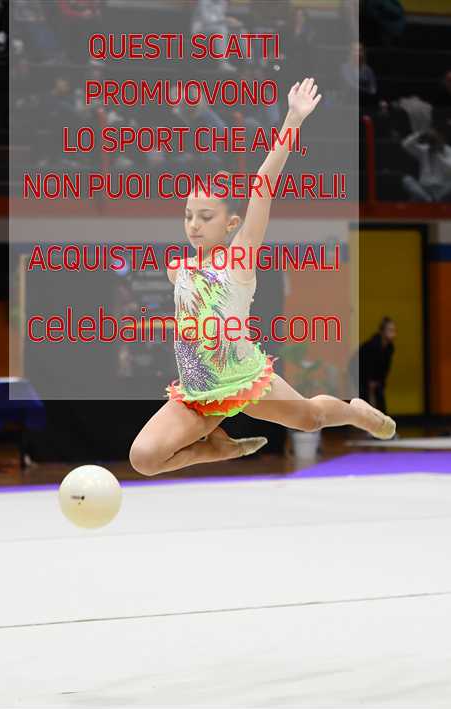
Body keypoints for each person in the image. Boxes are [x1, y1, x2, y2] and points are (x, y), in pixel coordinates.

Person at [128, 78, 396, 477]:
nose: (194, 225)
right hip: (199, 391)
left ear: (231, 224)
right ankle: (216, 448)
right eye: (188, 216)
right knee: (144, 459)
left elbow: (263, 187)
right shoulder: (177, 269)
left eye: (206, 217)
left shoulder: (239, 259)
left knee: (309, 418)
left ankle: (354, 411)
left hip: (243, 377)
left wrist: (293, 120)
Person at [358, 318, 396, 414]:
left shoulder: (390, 347)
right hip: (359, 375)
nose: (393, 334)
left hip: (376, 379)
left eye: (394, 330)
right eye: (390, 330)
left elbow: (385, 368)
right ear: (382, 331)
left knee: (380, 401)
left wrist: (380, 381)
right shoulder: (371, 346)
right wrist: (369, 381)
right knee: (365, 402)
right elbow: (365, 365)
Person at [401, 128, 451, 202]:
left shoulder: (448, 150)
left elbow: (449, 168)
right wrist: (421, 134)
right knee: (406, 180)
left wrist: (439, 153)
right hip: (424, 187)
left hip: (441, 188)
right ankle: (429, 200)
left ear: (442, 138)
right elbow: (405, 144)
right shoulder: (424, 150)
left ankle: (429, 200)